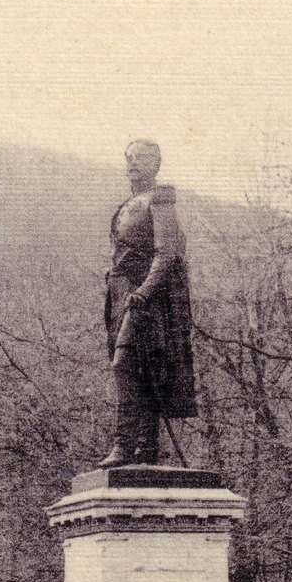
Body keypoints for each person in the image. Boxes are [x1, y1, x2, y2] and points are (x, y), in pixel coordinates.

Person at [97, 139, 198, 468]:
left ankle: (124, 446)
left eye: (140, 158)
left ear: (155, 164)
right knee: (140, 368)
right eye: (128, 158)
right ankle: (148, 447)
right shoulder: (128, 204)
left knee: (124, 365)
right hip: (121, 294)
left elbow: (167, 253)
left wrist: (144, 291)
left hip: (147, 301)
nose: (132, 163)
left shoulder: (160, 199)